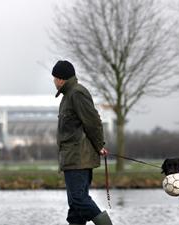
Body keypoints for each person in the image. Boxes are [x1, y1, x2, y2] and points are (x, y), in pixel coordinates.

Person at [52, 60, 113, 225]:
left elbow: (93, 122)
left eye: (55, 78)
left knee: (79, 200)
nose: (53, 81)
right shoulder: (67, 96)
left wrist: (99, 145)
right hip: (72, 158)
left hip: (78, 158)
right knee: (75, 206)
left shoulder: (76, 93)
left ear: (61, 79)